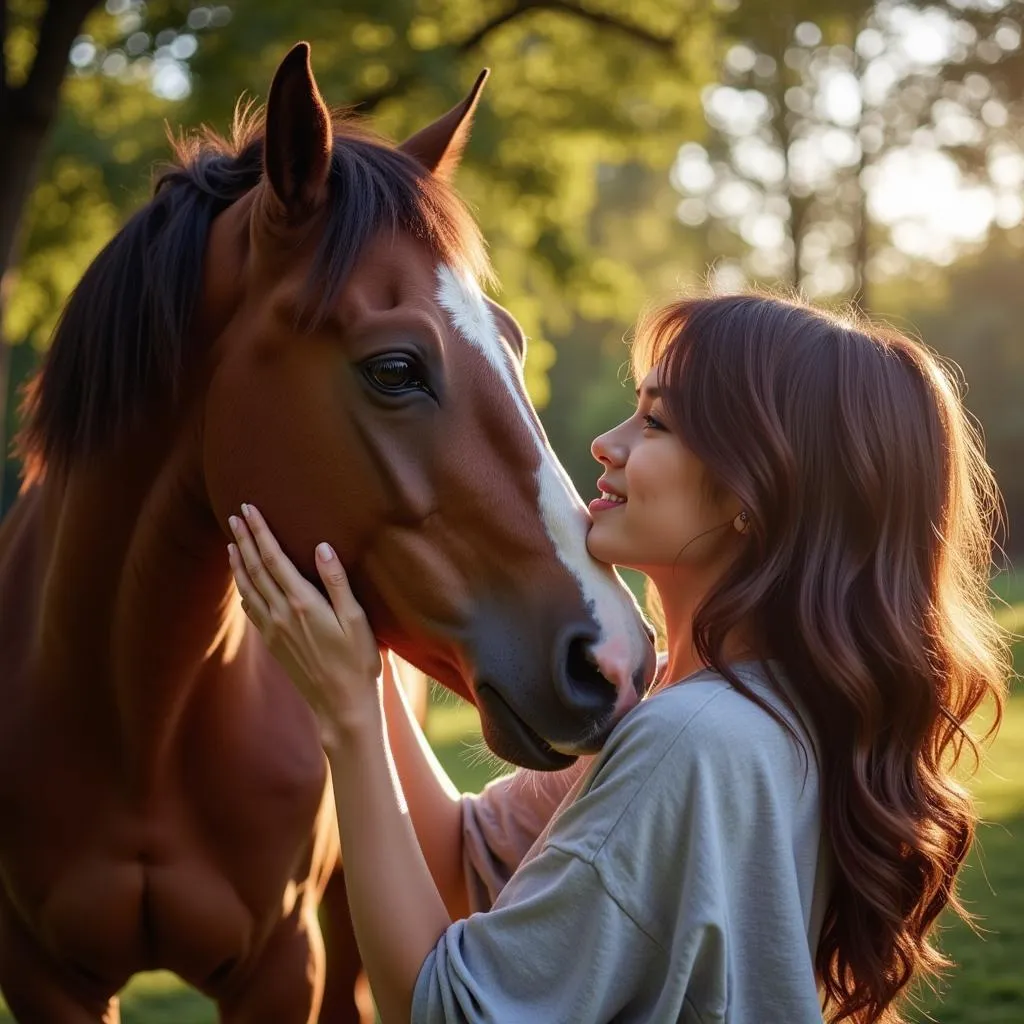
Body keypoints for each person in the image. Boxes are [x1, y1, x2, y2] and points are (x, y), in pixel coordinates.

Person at [226, 292, 1009, 1024]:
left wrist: (351, 721)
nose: (607, 444)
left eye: (657, 424)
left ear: (756, 489)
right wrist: (369, 666)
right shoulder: (728, 704)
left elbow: (448, 1008)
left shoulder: (693, 739)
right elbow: (467, 868)